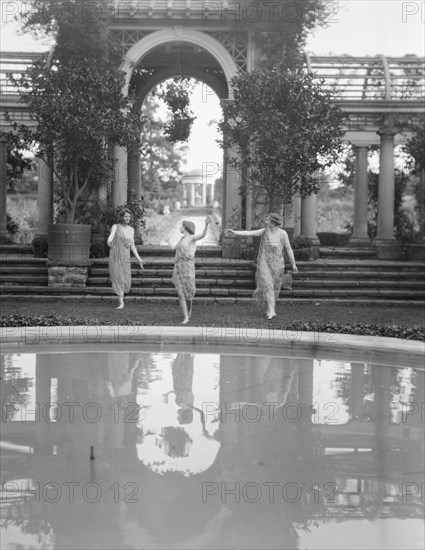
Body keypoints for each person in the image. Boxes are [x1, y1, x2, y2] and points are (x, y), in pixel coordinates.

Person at [225, 212, 298, 320]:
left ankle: (270, 310)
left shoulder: (283, 233)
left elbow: (288, 248)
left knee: (273, 287)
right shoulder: (264, 232)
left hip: (278, 264)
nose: (265, 221)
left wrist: (293, 263)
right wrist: (234, 232)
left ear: (273, 221)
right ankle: (272, 311)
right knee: (268, 286)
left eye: (268, 219)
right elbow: (249, 233)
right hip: (264, 263)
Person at [166, 216, 211, 324]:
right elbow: (174, 248)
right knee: (180, 293)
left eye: (182, 226)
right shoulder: (181, 239)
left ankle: (189, 308)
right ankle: (186, 317)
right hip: (179, 268)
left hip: (188, 267)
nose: (180, 227)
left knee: (189, 294)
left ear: (185, 227)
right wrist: (168, 241)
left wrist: (206, 224)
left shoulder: (191, 238)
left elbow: (203, 235)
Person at [107, 208, 144, 309]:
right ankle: (121, 302)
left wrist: (139, 259)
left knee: (124, 276)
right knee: (118, 276)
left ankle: (121, 299)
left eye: (129, 216)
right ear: (121, 217)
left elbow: (132, 246)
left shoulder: (131, 230)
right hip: (115, 254)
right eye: (125, 216)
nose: (128, 218)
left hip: (125, 255)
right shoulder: (116, 226)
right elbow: (111, 235)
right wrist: (109, 241)